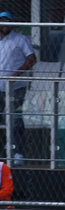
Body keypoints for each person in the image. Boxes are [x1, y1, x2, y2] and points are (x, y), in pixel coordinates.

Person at [0, 11, 36, 165]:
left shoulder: (20, 39)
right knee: (1, 119)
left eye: (8, 20)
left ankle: (18, 153)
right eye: (2, 20)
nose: (5, 23)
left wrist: (17, 73)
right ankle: (4, 153)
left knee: (15, 118)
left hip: (16, 86)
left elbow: (32, 59)